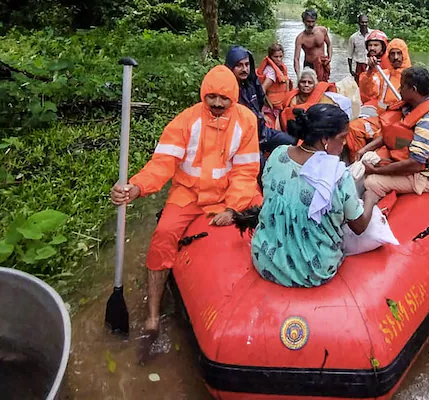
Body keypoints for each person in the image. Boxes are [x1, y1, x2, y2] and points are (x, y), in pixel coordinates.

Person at [109, 65, 263, 360]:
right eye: (212, 97)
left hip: (229, 194)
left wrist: (233, 209)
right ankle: (152, 317)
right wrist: (136, 188)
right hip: (188, 194)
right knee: (163, 235)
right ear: (203, 95)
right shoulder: (186, 121)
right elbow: (162, 164)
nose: (217, 104)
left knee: (257, 221)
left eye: (223, 98)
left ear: (234, 98)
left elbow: (245, 172)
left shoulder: (246, 121)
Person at [234, 104, 379, 288]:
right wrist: (370, 199)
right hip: (312, 272)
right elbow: (359, 226)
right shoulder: (339, 175)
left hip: (265, 259)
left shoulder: (278, 154)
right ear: (325, 139)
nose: (344, 144)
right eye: (342, 138)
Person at [356, 66, 429, 197]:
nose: (399, 90)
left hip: (426, 176)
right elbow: (391, 135)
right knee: (367, 160)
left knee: (371, 182)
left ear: (413, 90)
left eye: (402, 86)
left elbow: (415, 164)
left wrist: (376, 170)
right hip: (412, 163)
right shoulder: (410, 107)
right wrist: (364, 150)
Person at [225, 46, 297, 164]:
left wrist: (262, 114)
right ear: (230, 67)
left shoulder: (252, 84)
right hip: (244, 140)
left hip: (263, 132)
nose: (245, 69)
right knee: (261, 167)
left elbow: (259, 102)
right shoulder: (225, 91)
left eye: (247, 65)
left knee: (293, 142)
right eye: (239, 65)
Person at [347, 38, 414, 159]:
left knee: (384, 137)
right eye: (392, 53)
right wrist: (370, 71)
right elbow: (368, 92)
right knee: (353, 128)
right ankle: (355, 163)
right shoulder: (384, 74)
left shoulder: (413, 76)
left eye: (399, 53)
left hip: (401, 122)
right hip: (382, 118)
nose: (396, 57)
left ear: (405, 54)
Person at [256, 43, 292, 130]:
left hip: (280, 107)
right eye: (276, 57)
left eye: (280, 56)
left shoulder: (281, 68)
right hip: (271, 108)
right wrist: (261, 113)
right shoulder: (271, 71)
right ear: (270, 57)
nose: (279, 59)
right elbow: (262, 90)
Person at [294, 9, 332, 82]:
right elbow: (296, 59)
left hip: (322, 64)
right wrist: (298, 75)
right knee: (309, 87)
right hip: (309, 65)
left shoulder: (322, 30)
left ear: (316, 21)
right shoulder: (300, 38)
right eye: (308, 21)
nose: (311, 24)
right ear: (303, 21)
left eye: (313, 21)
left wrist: (329, 58)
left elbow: (329, 44)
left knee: (323, 86)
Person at [358, 30, 389, 104]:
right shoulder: (372, 61)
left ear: (383, 47)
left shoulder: (389, 61)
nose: (372, 48)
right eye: (370, 45)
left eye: (376, 45)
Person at [347, 14, 373, 84]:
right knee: (359, 86)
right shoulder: (353, 37)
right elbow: (350, 55)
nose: (364, 24)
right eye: (362, 22)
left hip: (371, 65)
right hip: (359, 66)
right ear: (359, 23)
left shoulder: (373, 35)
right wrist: (351, 70)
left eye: (366, 22)